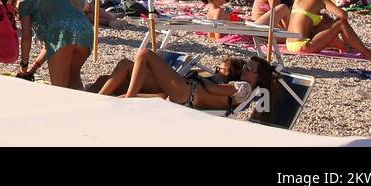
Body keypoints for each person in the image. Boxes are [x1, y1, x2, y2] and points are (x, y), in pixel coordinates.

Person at [93, 51, 274, 111]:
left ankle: (129, 99)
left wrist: (202, 79)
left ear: (258, 77)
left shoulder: (244, 88)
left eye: (249, 69)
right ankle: (102, 98)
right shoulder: (242, 88)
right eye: (245, 66)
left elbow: (213, 90)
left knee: (145, 54)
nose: (244, 69)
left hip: (188, 92)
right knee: (126, 65)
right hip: (185, 95)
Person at [17, 0, 92, 88]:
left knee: (59, 89)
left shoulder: (26, 2)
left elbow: (27, 37)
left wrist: (23, 66)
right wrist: (33, 69)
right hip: (85, 30)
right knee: (73, 80)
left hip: (65, 33)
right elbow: (50, 45)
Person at [286, 0, 371, 59]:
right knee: (341, 23)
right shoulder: (321, 1)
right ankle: (367, 53)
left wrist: (320, 17)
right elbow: (343, 15)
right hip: (302, 46)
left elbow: (304, 16)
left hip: (289, 44)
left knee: (322, 20)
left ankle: (344, 46)